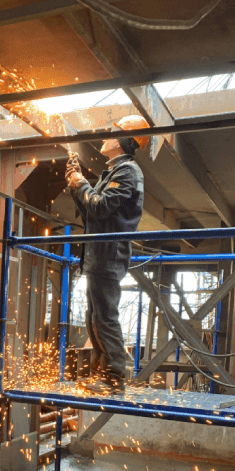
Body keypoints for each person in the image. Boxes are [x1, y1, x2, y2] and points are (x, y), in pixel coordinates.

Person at [65, 115, 152, 393]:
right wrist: (75, 184)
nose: (105, 138)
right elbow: (91, 210)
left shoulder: (128, 172)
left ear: (123, 142)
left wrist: (80, 184)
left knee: (105, 316)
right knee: (95, 317)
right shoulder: (112, 173)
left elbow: (100, 207)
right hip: (97, 255)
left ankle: (114, 378)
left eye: (111, 134)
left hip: (108, 255)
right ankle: (101, 375)